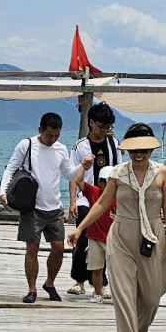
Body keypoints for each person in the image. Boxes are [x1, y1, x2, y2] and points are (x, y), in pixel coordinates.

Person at [68, 124, 166, 332]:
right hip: (121, 235)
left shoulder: (162, 173)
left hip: (153, 235)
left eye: (143, 149)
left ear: (151, 149)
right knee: (124, 294)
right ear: (126, 150)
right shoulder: (117, 174)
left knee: (153, 294)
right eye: (133, 150)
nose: (138, 154)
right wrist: (79, 228)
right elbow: (101, 205)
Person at [0, 111, 73, 303]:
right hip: (32, 206)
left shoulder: (61, 149)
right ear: (40, 130)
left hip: (55, 207)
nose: (53, 139)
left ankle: (50, 283)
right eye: (49, 135)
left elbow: (70, 173)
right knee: (32, 247)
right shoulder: (27, 145)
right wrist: (3, 192)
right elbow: (12, 167)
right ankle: (32, 289)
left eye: (57, 136)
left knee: (58, 248)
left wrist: (84, 166)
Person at [66, 102, 120, 298]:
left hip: (109, 200)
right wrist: (72, 201)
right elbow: (73, 174)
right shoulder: (80, 146)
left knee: (107, 241)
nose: (104, 131)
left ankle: (101, 283)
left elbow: (120, 170)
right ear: (91, 123)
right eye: (101, 127)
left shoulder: (114, 143)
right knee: (82, 240)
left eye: (108, 127)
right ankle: (79, 281)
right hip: (86, 199)